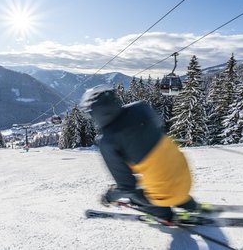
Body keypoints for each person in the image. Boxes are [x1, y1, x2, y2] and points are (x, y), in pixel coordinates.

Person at [80, 84, 198, 221]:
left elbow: (127, 187)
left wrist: (109, 196)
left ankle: (164, 214)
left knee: (136, 194)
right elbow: (158, 127)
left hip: (165, 192)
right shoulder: (140, 107)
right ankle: (187, 203)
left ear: (95, 113)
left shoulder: (108, 141)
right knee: (159, 174)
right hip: (185, 176)